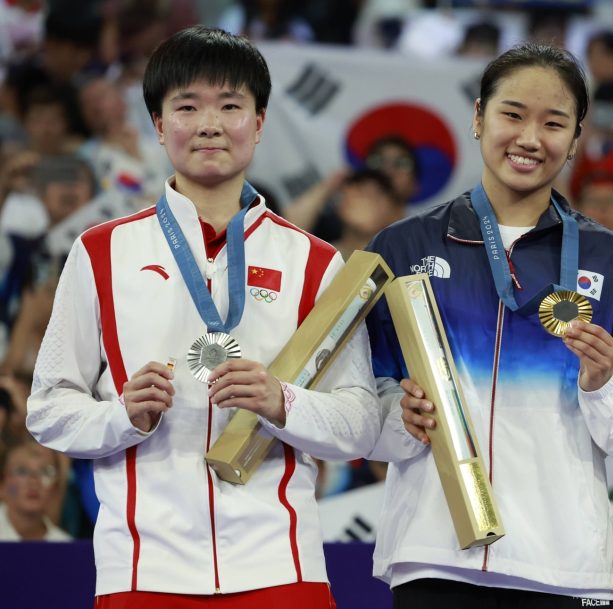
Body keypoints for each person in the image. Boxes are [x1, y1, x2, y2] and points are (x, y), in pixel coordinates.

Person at [26, 25, 382, 607]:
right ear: (159, 125)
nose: (211, 123)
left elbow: (360, 423)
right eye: (187, 106)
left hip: (282, 564)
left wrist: (280, 401)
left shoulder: (314, 261)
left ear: (260, 124)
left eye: (231, 106)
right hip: (143, 568)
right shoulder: (100, 253)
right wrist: (122, 417)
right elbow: (46, 411)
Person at [365, 42, 613, 608]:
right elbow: (363, 401)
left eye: (554, 123)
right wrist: (396, 415)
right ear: (479, 116)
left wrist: (602, 383)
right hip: (436, 552)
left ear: (576, 139)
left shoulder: (611, 260)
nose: (531, 138)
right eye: (513, 115)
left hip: (565, 562)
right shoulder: (404, 246)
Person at [0, 437, 71, 541]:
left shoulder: (66, 547)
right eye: (22, 471)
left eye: (45, 472)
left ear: (55, 488)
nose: (34, 481)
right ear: (2, 484)